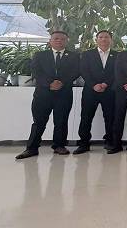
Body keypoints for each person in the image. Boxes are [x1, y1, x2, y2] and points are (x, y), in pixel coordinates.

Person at [16, 31, 80, 160]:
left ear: (66, 41)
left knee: (61, 121)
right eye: (56, 38)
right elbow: (36, 71)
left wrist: (62, 82)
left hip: (64, 93)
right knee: (38, 122)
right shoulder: (40, 55)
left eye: (62, 39)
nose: (59, 41)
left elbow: (76, 71)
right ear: (50, 41)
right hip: (43, 94)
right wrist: (49, 83)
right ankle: (31, 148)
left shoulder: (74, 56)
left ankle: (59, 146)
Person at [74, 30, 118, 154]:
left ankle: (109, 141)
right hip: (90, 91)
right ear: (96, 40)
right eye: (101, 37)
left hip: (109, 91)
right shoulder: (87, 54)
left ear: (111, 40)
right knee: (86, 117)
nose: (104, 39)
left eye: (106, 37)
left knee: (110, 117)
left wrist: (105, 84)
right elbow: (84, 70)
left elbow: (117, 72)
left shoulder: (117, 55)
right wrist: (94, 85)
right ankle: (83, 143)